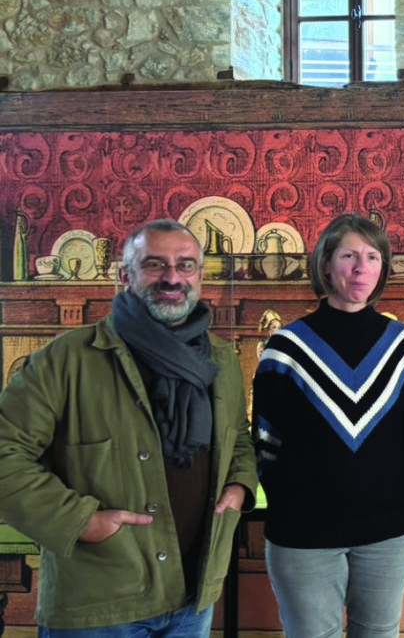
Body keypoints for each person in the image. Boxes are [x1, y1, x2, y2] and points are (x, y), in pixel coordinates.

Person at [0, 219, 257, 634]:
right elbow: (5, 456)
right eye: (155, 265)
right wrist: (78, 520)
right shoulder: (64, 360)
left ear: (199, 276)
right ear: (124, 275)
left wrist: (240, 483)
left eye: (186, 265)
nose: (172, 278)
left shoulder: (221, 359)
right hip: (99, 603)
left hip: (193, 598)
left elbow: (237, 437)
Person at [253, 212, 404, 638]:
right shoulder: (285, 348)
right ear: (326, 264)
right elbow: (265, 443)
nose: (361, 267)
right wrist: (297, 502)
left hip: (387, 531)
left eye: (372, 257)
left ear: (383, 268)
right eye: (349, 255)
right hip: (303, 533)